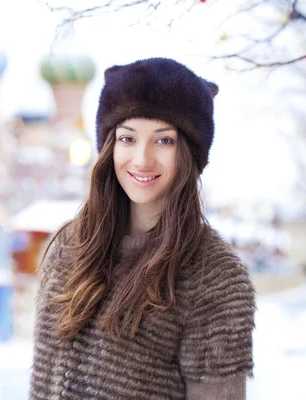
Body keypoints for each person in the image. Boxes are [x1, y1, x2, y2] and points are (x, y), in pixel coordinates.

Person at [30, 58, 256, 400]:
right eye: (128, 138)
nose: (142, 159)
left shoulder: (214, 278)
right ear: (110, 146)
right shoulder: (69, 247)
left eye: (164, 141)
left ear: (189, 154)